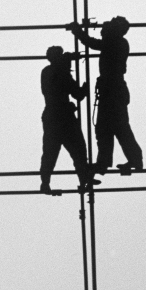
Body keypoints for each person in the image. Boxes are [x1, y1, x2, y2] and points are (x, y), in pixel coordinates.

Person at [67, 16, 143, 175]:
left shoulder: (118, 42)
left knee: (116, 128)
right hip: (112, 91)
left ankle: (131, 160)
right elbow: (100, 40)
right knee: (108, 128)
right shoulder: (117, 41)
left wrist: (78, 31)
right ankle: (110, 162)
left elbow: (94, 43)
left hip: (113, 92)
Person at [39, 45, 96, 194]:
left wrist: (69, 58)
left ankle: (45, 182)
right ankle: (84, 179)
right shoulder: (61, 74)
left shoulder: (46, 72)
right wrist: (85, 87)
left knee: (50, 153)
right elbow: (78, 94)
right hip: (64, 117)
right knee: (78, 150)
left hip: (51, 116)